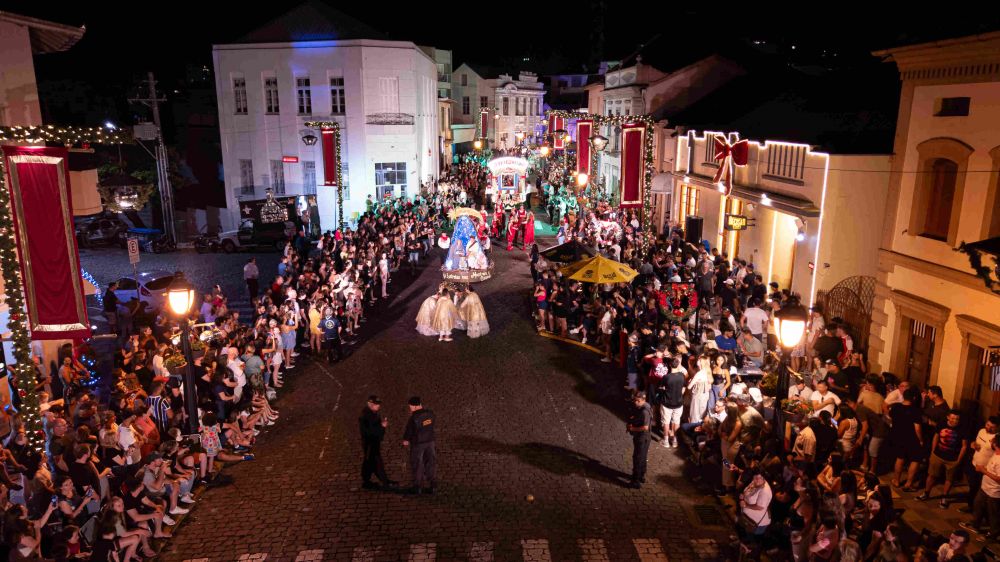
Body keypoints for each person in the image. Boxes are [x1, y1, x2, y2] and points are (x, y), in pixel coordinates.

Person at [916, 409, 968, 508]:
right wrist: (933, 451)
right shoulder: (942, 424)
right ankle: (926, 493)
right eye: (952, 418)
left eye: (957, 419)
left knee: (949, 479)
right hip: (938, 455)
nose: (954, 421)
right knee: (931, 475)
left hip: (953, 459)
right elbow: (936, 437)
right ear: (948, 417)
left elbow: (964, 446)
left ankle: (944, 498)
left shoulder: (963, 429)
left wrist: (958, 460)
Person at [961, 434, 1000, 540]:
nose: (990, 441)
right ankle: (975, 525)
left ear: (996, 444)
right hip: (985, 487)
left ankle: (993, 534)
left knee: (993, 514)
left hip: (994, 492)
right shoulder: (996, 454)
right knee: (978, 505)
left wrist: (983, 471)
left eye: (993, 441)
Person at [359, 395, 396, 490]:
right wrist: (382, 426)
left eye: (379, 404)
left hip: (374, 442)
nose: (378, 406)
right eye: (376, 404)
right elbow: (369, 431)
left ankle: (368, 481)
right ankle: (383, 482)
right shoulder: (366, 416)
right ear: (370, 404)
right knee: (375, 462)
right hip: (370, 443)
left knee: (370, 462)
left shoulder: (374, 413)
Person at [402, 396, 436, 494]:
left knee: (417, 464)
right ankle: (433, 485)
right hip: (430, 442)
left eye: (411, 406)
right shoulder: (430, 414)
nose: (410, 408)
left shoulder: (413, 418)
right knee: (430, 463)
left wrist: (406, 440)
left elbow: (409, 431)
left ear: (415, 406)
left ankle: (418, 486)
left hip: (418, 443)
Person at [626, 390, 652, 489]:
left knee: (637, 458)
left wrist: (632, 428)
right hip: (645, 438)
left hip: (642, 437)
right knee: (642, 456)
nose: (635, 403)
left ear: (643, 400)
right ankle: (641, 476)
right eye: (635, 400)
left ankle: (635, 481)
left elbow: (645, 427)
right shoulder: (647, 406)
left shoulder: (645, 411)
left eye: (638, 401)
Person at [658, 360, 686, 449]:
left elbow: (661, 388)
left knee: (666, 422)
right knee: (676, 421)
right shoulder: (682, 376)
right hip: (679, 402)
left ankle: (666, 441)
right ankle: (674, 440)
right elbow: (684, 387)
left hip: (667, 402)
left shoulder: (667, 377)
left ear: (670, 365)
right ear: (678, 365)